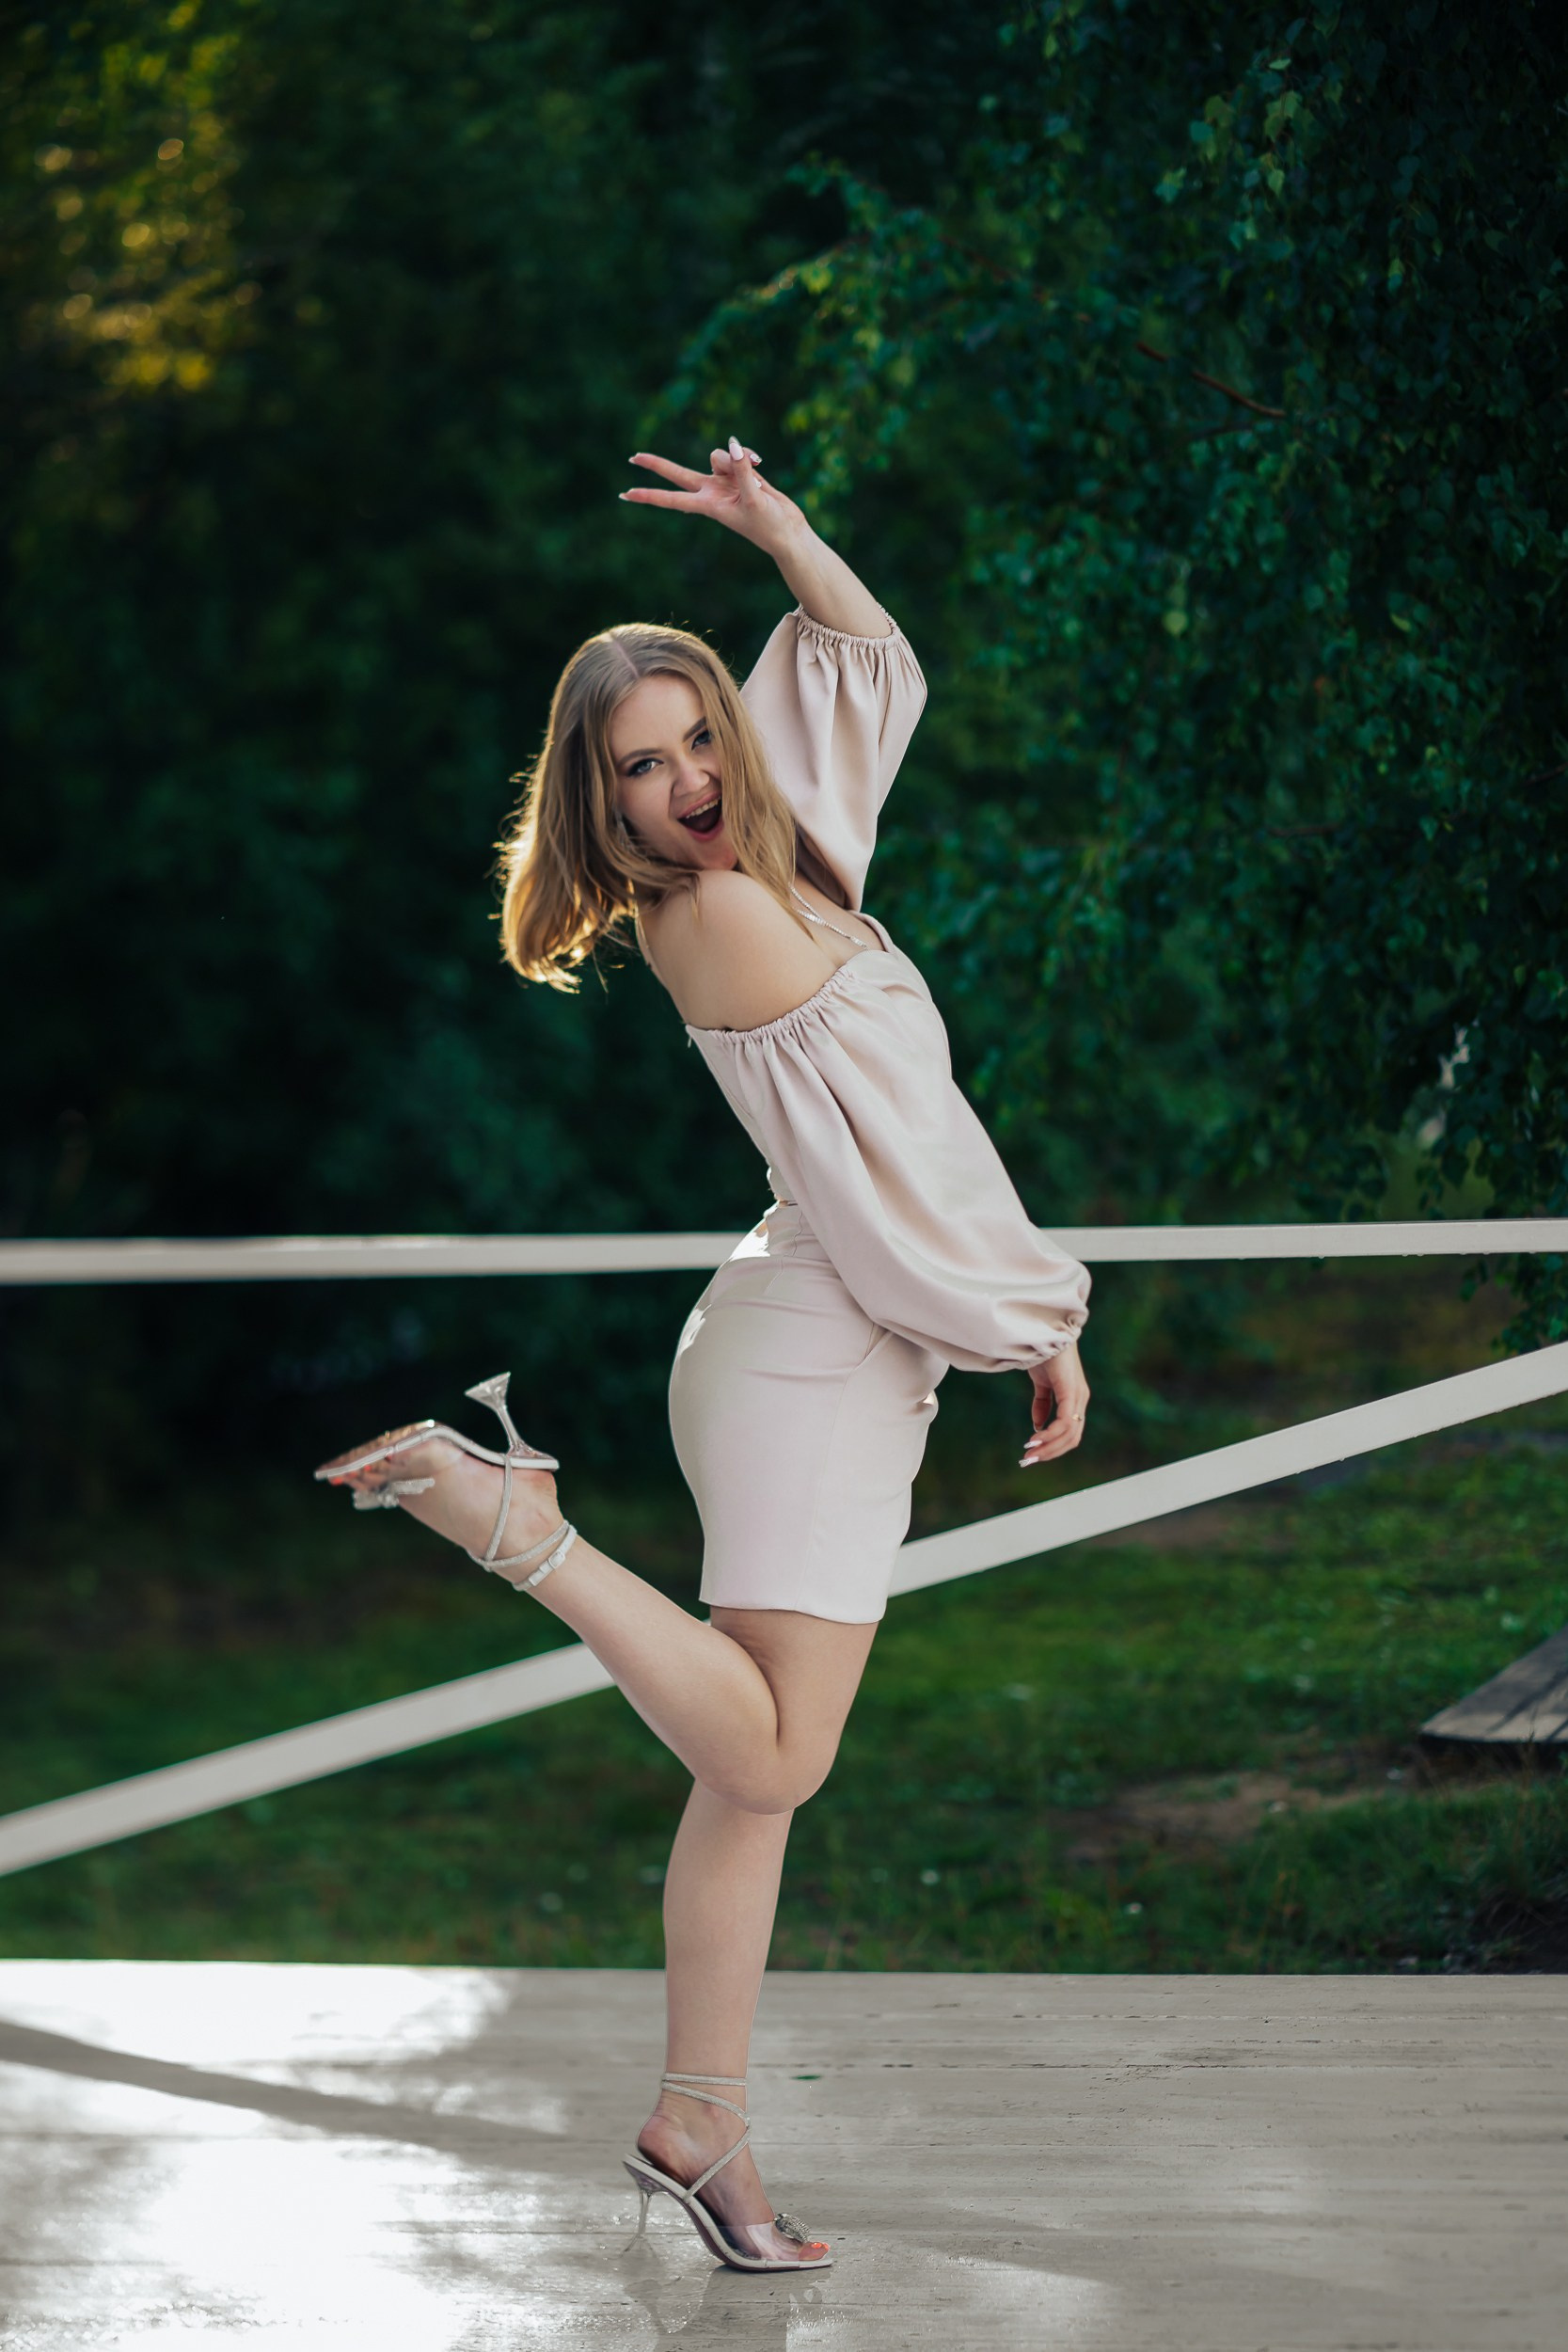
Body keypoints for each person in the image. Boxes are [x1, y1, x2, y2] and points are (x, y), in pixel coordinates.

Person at [315, 437, 1092, 2273]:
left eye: (694, 743)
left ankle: (700, 2125)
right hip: (811, 1353)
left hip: (816, 1342)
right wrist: (1035, 1321)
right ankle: (517, 1524)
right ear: (598, 802)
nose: (682, 787)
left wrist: (774, 528)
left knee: (744, 1787)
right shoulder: (729, 911)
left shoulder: (776, 853)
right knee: (780, 1759)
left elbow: (873, 667)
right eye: (637, 768)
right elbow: (908, 1156)